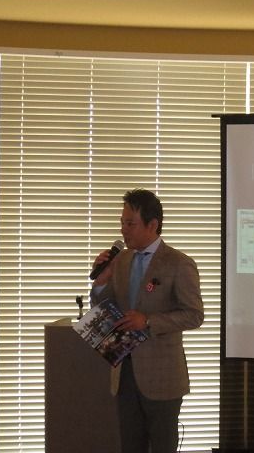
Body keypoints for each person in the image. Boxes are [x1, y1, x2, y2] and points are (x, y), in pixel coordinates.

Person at [90, 188, 204, 453]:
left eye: (130, 224)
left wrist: (149, 321)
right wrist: (100, 284)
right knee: (130, 445)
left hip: (162, 377)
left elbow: (194, 314)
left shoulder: (178, 263)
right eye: (122, 223)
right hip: (124, 371)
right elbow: (105, 307)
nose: (123, 230)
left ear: (152, 225)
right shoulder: (121, 261)